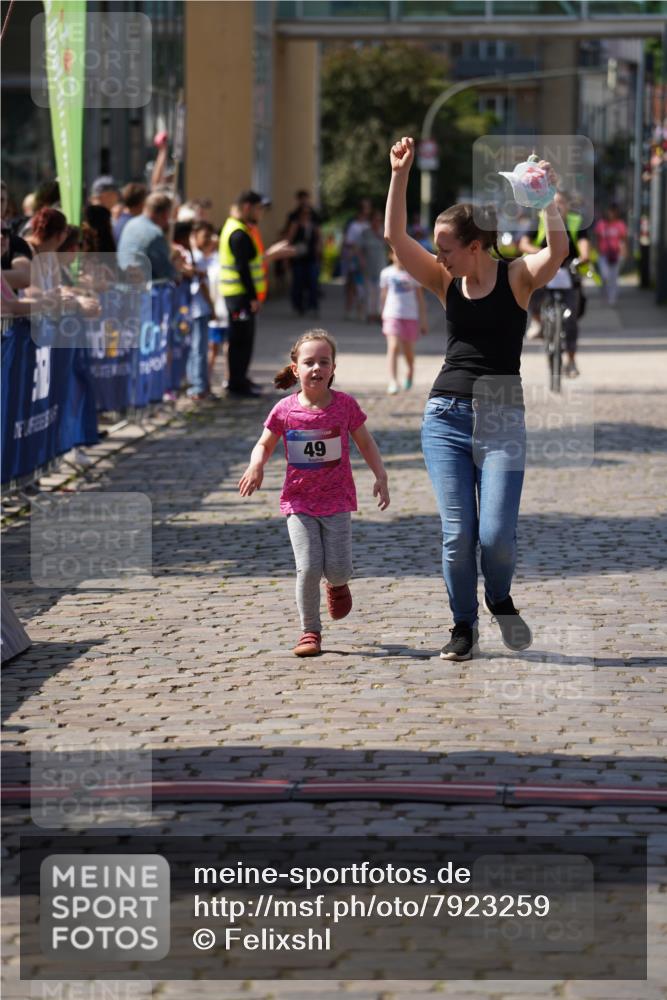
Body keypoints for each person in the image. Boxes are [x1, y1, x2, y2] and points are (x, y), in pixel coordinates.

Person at [385, 136, 568, 661]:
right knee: (457, 534)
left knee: (496, 539)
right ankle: (462, 625)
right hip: (445, 417)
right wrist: (400, 173)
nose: (437, 254)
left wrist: (549, 198)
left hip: (503, 418)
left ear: (474, 245)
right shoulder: (446, 282)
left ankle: (500, 596)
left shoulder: (517, 278)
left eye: (445, 246)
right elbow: (396, 237)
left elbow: (557, 251)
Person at [238, 330, 390, 657]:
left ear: (334, 368)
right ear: (296, 369)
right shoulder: (285, 410)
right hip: (299, 502)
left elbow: (365, 442)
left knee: (336, 569)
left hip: (336, 501)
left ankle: (336, 584)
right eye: (309, 362)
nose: (316, 368)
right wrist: (256, 465)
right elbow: (264, 443)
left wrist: (380, 475)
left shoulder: (345, 406)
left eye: (324, 362)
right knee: (307, 567)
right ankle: (310, 631)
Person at [519, 190, 590, 377]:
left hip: (568, 270)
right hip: (545, 269)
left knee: (571, 319)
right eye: (553, 203)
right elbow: (524, 243)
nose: (557, 207)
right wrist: (542, 255)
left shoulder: (576, 222)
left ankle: (571, 360)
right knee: (531, 289)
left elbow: (584, 245)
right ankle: (537, 322)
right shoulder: (539, 221)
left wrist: (583, 257)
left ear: (567, 206)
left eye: (560, 203)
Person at [218, 190, 266, 397]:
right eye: (258, 209)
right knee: (240, 340)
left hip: (238, 296)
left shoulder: (235, 228)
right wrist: (253, 297)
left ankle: (240, 379)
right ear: (247, 207)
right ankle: (237, 384)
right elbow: (243, 269)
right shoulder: (238, 233)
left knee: (243, 339)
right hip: (240, 298)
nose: (261, 214)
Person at [379, 248, 428, 394]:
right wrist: (381, 312)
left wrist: (423, 320)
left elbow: (420, 298)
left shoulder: (414, 273)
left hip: (410, 317)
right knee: (393, 347)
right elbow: (383, 295)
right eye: (396, 254)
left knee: (408, 352)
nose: (399, 257)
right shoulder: (386, 273)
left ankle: (410, 370)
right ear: (391, 255)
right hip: (392, 315)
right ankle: (393, 381)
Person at [117, 192, 176, 281]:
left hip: (125, 284)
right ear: (165, 214)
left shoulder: (130, 224)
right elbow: (165, 272)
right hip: (147, 289)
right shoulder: (155, 234)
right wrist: (180, 272)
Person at [286, 202, 321, 316]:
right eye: (304, 213)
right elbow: (289, 240)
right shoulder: (295, 225)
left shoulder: (313, 225)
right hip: (298, 257)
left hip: (310, 257)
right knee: (298, 282)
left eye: (309, 213)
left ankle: (313, 306)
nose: (307, 215)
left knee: (312, 282)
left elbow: (318, 239)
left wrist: (319, 252)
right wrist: (287, 256)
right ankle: (298, 306)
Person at [341, 198, 371, 320]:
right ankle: (348, 310)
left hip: (366, 258)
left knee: (362, 286)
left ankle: (360, 311)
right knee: (352, 285)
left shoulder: (368, 224)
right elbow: (348, 242)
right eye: (366, 207)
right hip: (354, 259)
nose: (368, 209)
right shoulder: (353, 225)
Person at [594, 203, 627, 306]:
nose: (611, 214)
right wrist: (595, 251)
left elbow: (623, 240)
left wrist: (624, 252)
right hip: (603, 254)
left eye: (613, 211)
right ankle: (606, 294)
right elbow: (596, 238)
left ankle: (612, 298)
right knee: (605, 276)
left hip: (616, 255)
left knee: (613, 277)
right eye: (610, 211)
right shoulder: (601, 224)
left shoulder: (620, 225)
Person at [360, 209, 388, 321]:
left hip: (381, 266)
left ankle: (379, 314)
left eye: (380, 220)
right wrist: (361, 260)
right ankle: (369, 314)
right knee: (369, 291)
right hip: (368, 266)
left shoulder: (384, 232)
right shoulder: (365, 233)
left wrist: (380, 235)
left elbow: (390, 247)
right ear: (371, 221)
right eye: (375, 220)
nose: (378, 222)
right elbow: (359, 249)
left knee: (380, 291)